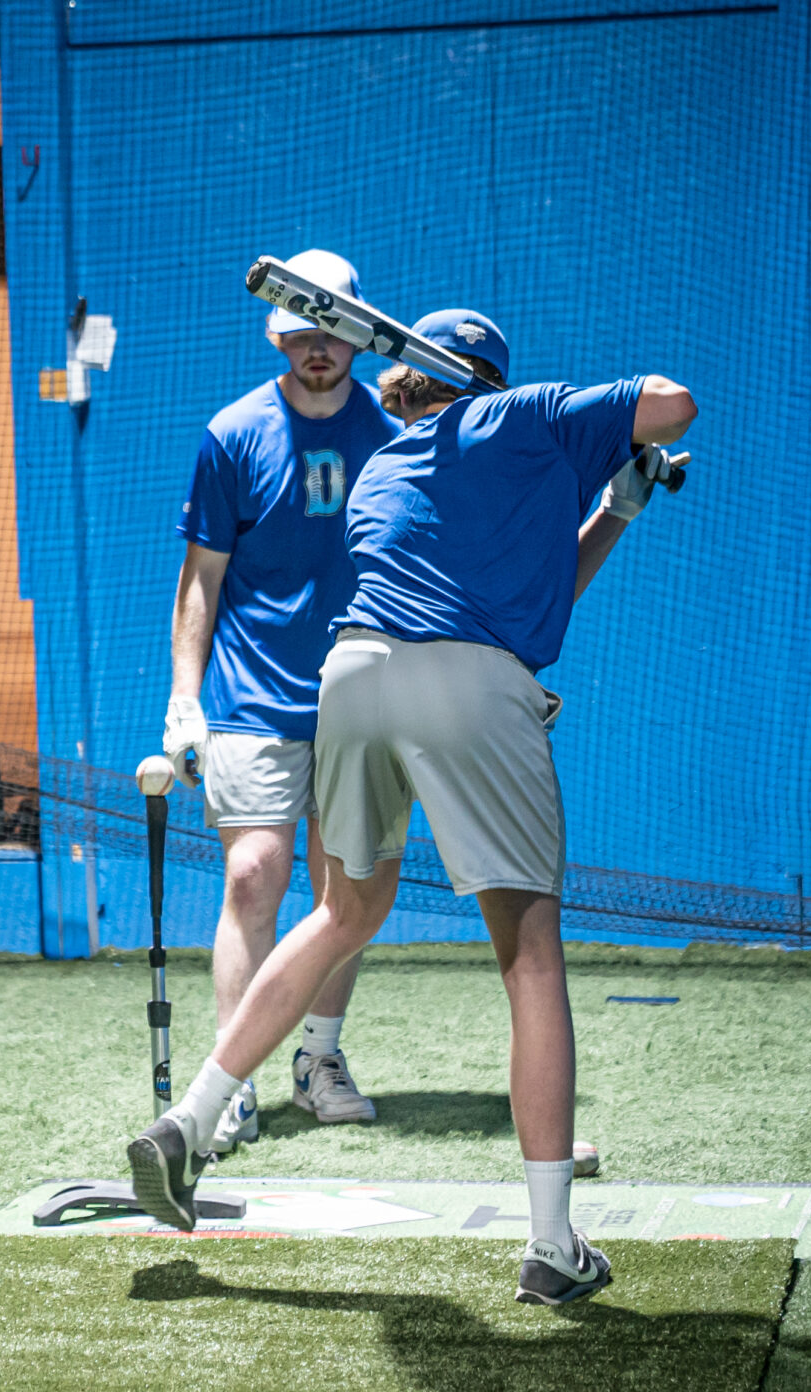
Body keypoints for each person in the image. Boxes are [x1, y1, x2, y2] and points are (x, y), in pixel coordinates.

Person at [130, 319, 696, 1307]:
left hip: (352, 677)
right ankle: (553, 1245)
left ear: (403, 388)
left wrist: (612, 507)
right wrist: (590, 428)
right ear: (485, 378)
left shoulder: (388, 467)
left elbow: (533, 594)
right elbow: (674, 400)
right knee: (528, 954)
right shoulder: (526, 416)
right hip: (469, 684)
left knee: (341, 911)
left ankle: (193, 1117)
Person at [163, 248, 401, 1155]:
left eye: (334, 329)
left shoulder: (390, 435)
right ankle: (235, 1077)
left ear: (359, 338)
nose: (318, 347)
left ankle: (320, 1059)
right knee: (253, 875)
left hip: (357, 698)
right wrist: (184, 701)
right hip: (251, 697)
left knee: (345, 889)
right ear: (278, 333)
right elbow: (200, 584)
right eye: (302, 329)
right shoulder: (233, 435)